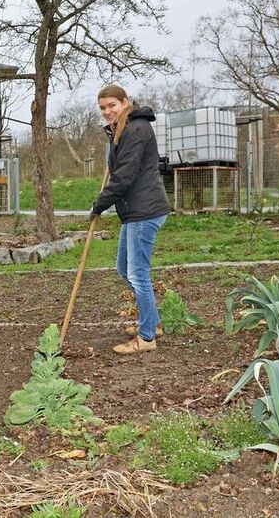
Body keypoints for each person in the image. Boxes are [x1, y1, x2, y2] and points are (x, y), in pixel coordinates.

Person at [89, 84, 170, 355]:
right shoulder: (122, 130)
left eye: (111, 105)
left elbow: (124, 177)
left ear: (124, 103)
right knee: (125, 270)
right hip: (135, 211)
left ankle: (146, 337)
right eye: (102, 108)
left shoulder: (136, 130)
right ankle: (153, 322)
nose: (107, 111)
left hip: (143, 211)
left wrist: (100, 205)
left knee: (138, 274)